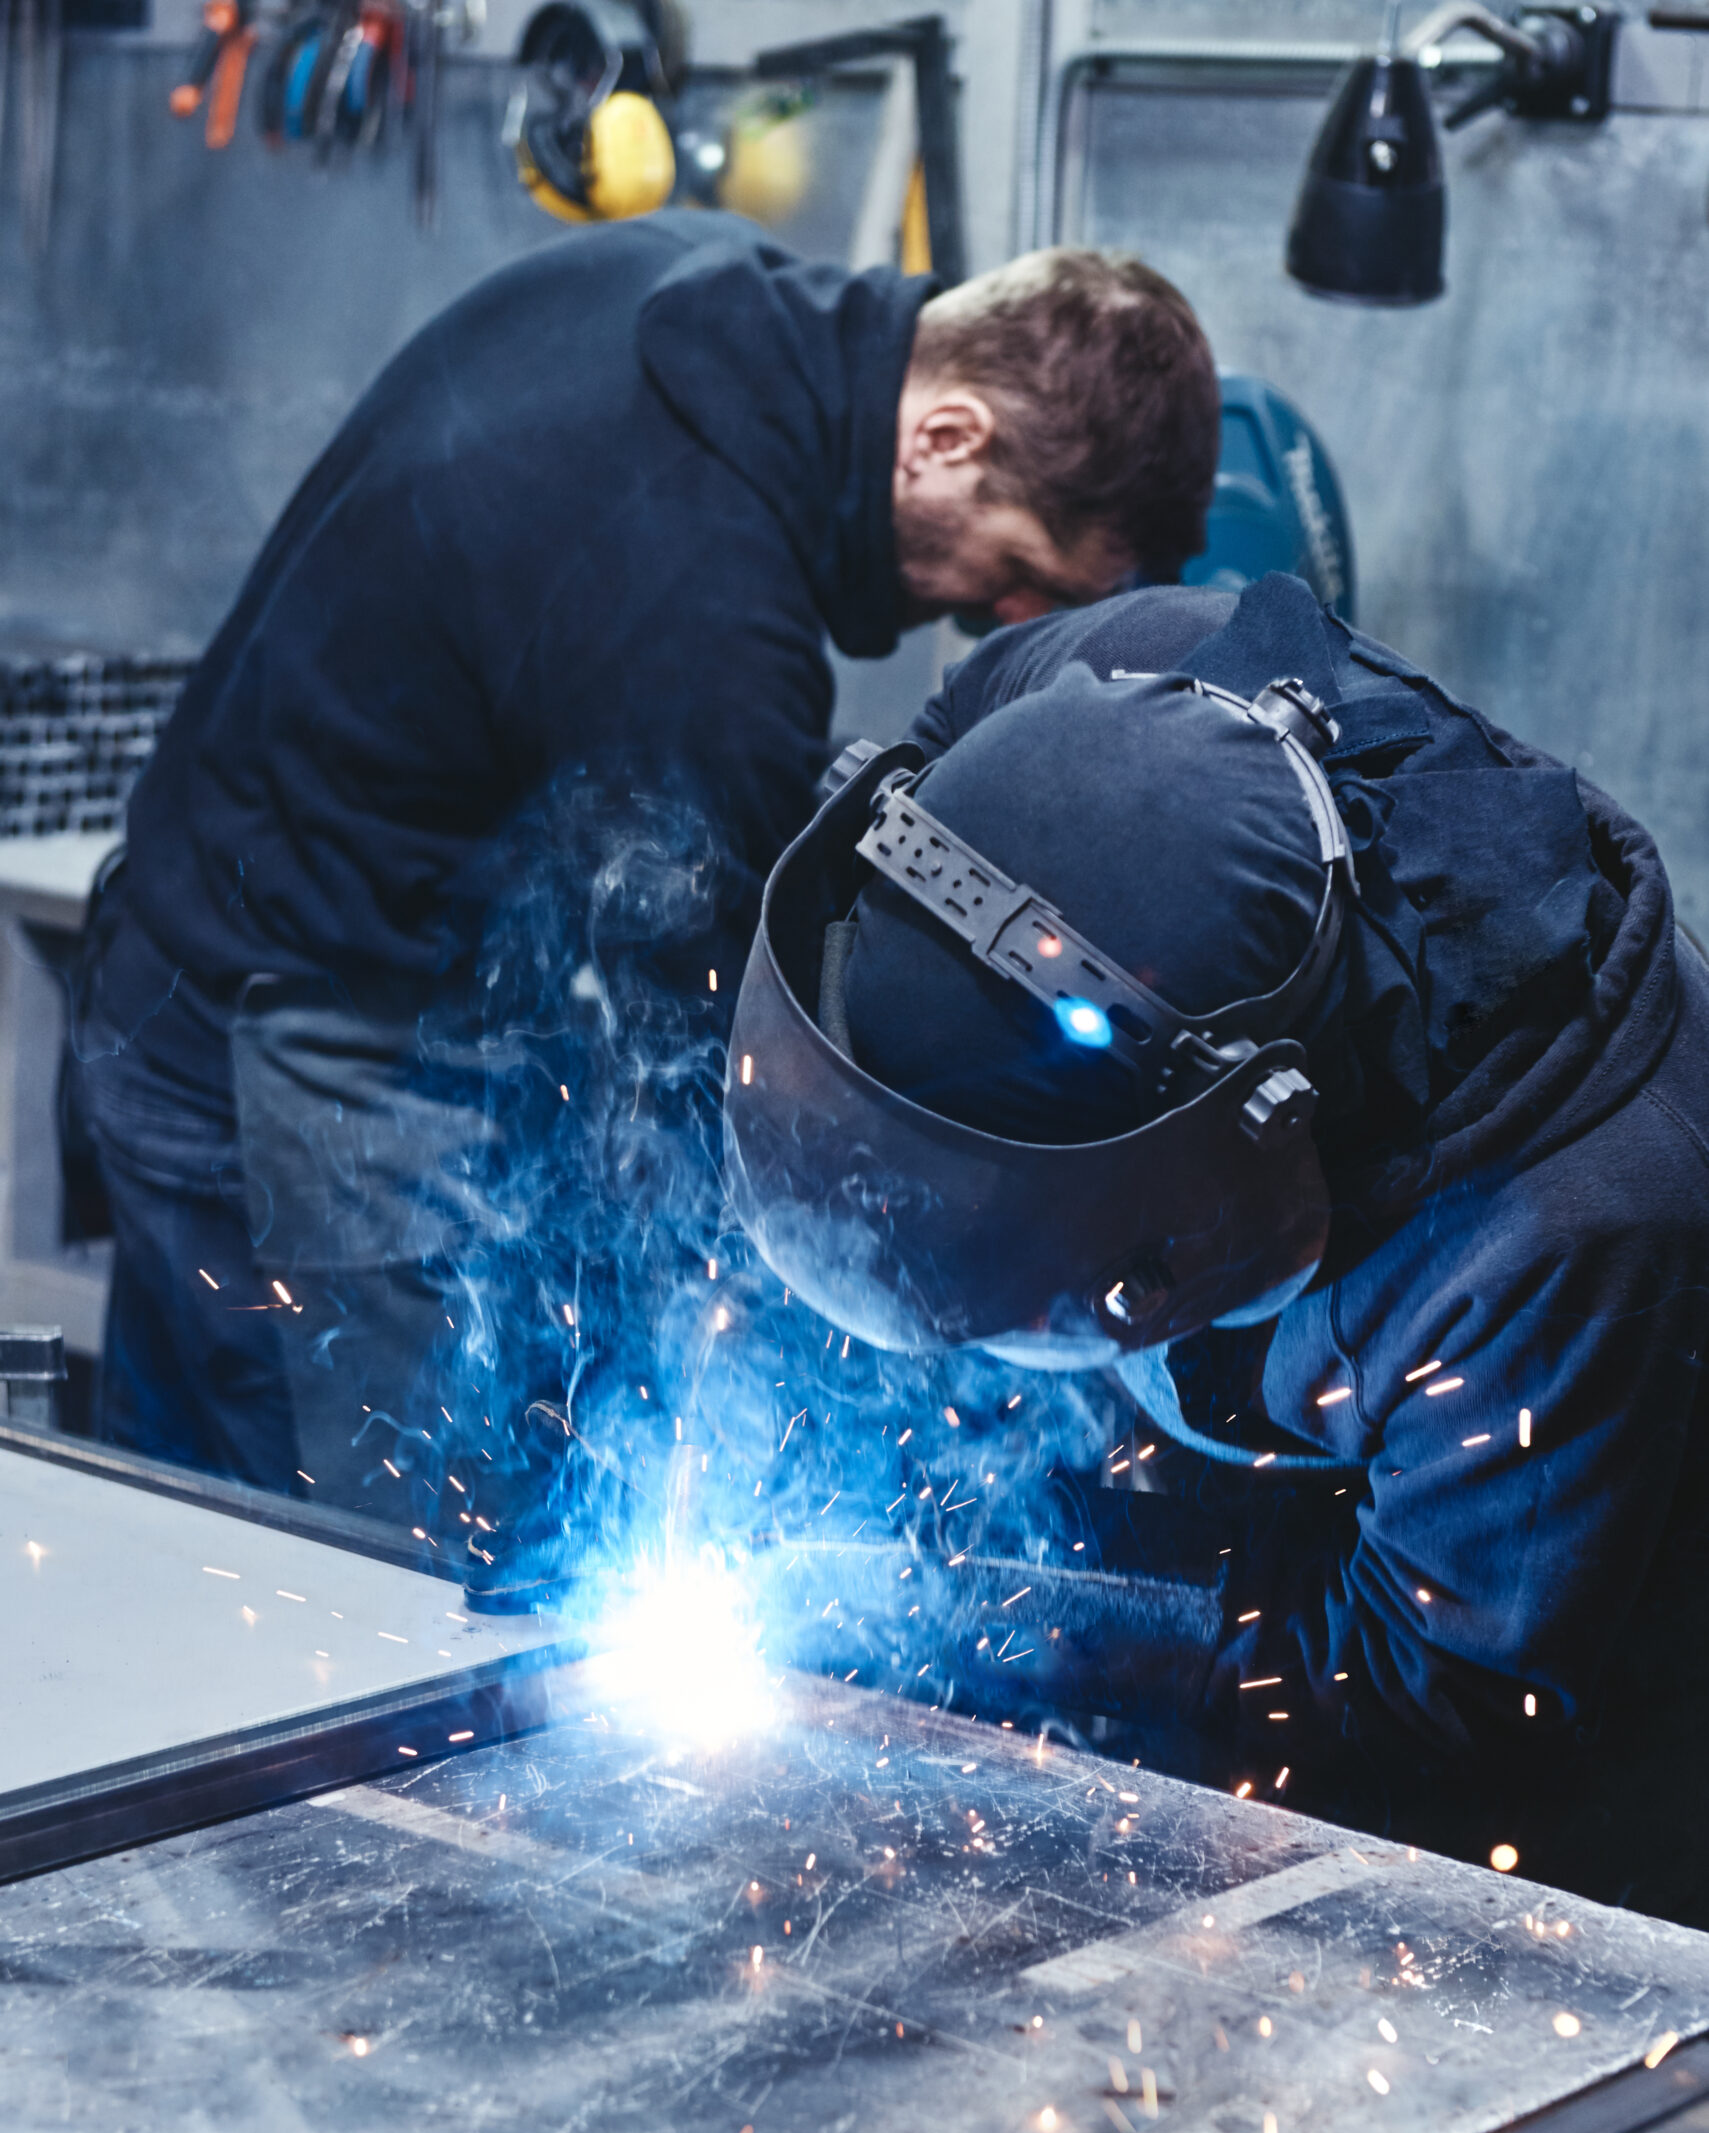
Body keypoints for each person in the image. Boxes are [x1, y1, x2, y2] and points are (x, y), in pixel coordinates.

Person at [71, 214, 1220, 1598]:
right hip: (298, 1049)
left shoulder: (683, 289)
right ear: (948, 438)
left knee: (164, 1530)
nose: (990, 621)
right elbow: (725, 1060)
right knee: (367, 1596)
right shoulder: (708, 608)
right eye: (1019, 577)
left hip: (177, 956)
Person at [722, 571, 1709, 1920]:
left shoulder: (1566, 1235)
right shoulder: (1120, 680)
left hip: (1563, 1657)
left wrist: (977, 1610)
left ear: (1227, 1160)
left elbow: (1438, 1685)